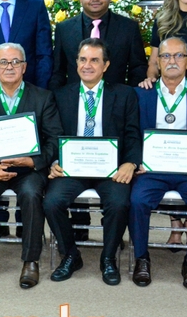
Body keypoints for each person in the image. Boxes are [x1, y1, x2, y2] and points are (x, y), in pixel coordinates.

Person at [0, 42, 63, 288]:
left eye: (16, 62)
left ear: (25, 67)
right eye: (4, 62)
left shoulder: (43, 97)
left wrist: (33, 161)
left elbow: (54, 139)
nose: (10, 67)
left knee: (30, 194)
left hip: (28, 169)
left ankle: (31, 261)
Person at [44, 38, 141, 285]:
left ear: (106, 65)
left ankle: (108, 258)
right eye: (83, 59)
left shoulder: (125, 94)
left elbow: (133, 134)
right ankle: (71, 255)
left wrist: (130, 163)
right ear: (76, 62)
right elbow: (52, 134)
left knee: (119, 203)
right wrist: (54, 161)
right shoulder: (60, 95)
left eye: (94, 60)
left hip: (110, 169)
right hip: (72, 168)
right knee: (52, 202)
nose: (87, 65)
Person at [129, 37, 187, 290]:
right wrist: (135, 162)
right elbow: (131, 133)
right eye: (165, 56)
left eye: (178, 56)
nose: (172, 61)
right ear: (157, 61)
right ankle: (141, 258)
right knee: (137, 201)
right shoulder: (142, 92)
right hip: (151, 170)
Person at [50, 0, 148, 89]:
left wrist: (127, 96)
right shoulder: (64, 29)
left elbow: (138, 68)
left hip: (116, 101)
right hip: (73, 100)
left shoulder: (128, 27)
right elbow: (57, 71)